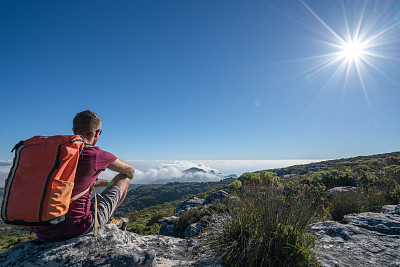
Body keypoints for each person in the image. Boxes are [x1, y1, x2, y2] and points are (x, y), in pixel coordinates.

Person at [30, 110, 135, 242]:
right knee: (124, 178)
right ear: (97, 133)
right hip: (77, 228)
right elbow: (129, 171)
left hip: (43, 231)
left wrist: (107, 183)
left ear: (74, 130)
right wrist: (115, 182)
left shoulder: (56, 154)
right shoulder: (95, 154)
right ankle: (109, 218)